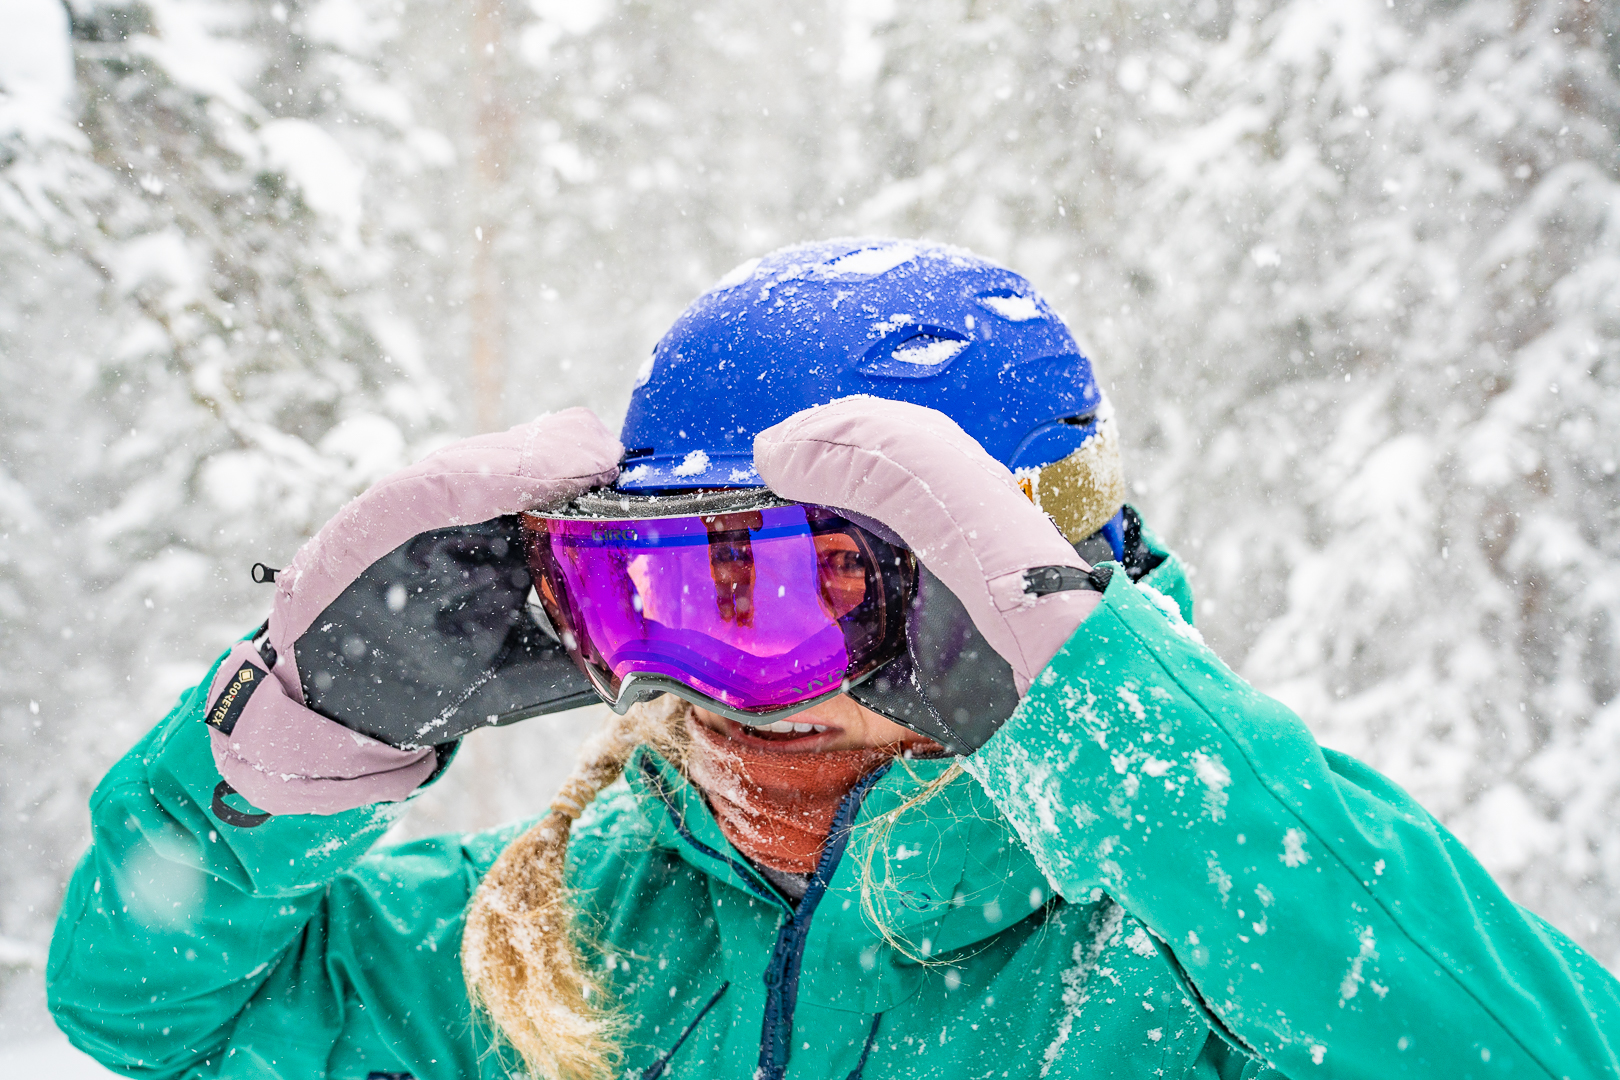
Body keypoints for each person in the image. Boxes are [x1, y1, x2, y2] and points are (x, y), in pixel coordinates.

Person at [46, 240, 1620, 1080]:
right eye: (648, 598)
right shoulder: (558, 943)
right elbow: (152, 1010)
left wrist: (1119, 733)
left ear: (991, 603)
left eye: (782, 597)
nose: (719, 698)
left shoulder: (1212, 936)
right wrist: (296, 734)